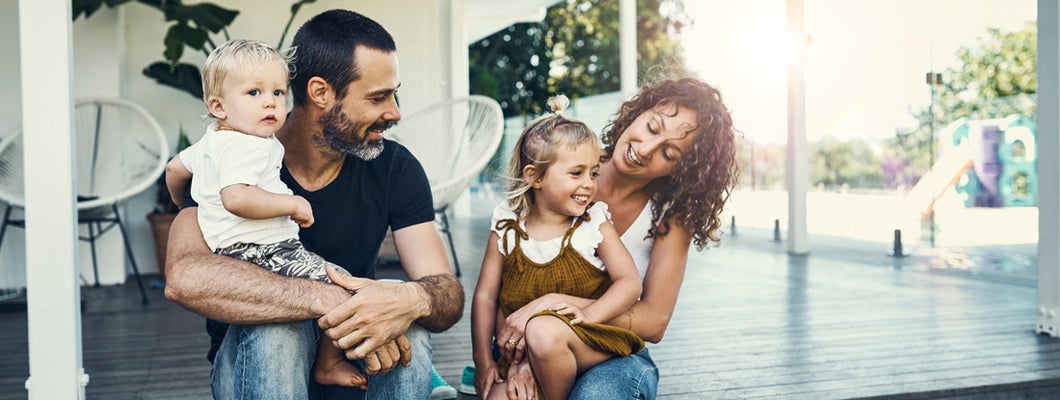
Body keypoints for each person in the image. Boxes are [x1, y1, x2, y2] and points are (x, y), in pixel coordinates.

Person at [163, 9, 464, 399]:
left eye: (394, 94)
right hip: (256, 370)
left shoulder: (394, 167)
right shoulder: (227, 156)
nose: (394, 112)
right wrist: (327, 299)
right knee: (280, 329)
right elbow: (185, 277)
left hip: (351, 365)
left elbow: (445, 291)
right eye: (378, 97)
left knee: (402, 315)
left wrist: (410, 300)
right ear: (321, 93)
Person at [493, 77, 738, 399]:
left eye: (668, 153)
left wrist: (552, 307)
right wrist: (522, 356)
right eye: (652, 127)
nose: (645, 149)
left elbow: (655, 321)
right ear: (638, 112)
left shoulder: (670, 216)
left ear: (681, 169)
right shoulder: (563, 159)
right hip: (526, 340)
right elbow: (501, 281)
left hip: (614, 353)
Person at [164, 38, 367, 389]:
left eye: (278, 92)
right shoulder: (247, 146)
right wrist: (293, 204)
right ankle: (329, 363)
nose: (270, 101)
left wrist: (187, 202)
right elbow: (237, 198)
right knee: (344, 285)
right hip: (266, 251)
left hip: (231, 253)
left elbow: (173, 170)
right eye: (254, 93)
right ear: (218, 106)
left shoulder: (212, 140)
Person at [471, 96, 645, 400]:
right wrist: (483, 361)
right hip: (521, 351)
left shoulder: (593, 223)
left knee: (543, 331)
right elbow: (486, 296)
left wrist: (588, 316)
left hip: (588, 338)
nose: (589, 184)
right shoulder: (507, 225)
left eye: (593, 172)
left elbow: (630, 283)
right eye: (576, 173)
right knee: (498, 396)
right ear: (534, 176)